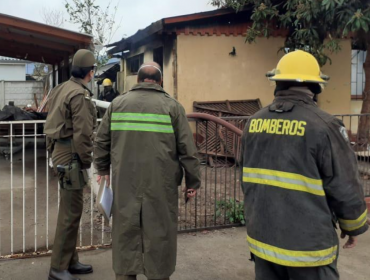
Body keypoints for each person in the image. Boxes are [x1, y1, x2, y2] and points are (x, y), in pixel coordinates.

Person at [240, 50, 368, 280]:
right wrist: (353, 227)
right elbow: (344, 185)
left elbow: (247, 180)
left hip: (263, 241)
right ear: (315, 87)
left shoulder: (253, 123)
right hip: (308, 249)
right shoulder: (325, 126)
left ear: (277, 83)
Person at [94, 62, 201, 280]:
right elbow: (188, 151)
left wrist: (103, 168)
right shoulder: (173, 107)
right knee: (160, 233)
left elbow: (101, 141)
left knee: (125, 232)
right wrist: (192, 182)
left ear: (138, 80)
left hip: (125, 183)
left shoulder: (117, 104)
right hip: (161, 185)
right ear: (160, 82)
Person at [44, 49, 97, 280]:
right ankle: (58, 268)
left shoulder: (62, 88)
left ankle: (70, 261)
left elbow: (51, 120)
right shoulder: (80, 95)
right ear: (91, 72)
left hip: (61, 151)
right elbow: (83, 134)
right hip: (72, 155)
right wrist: (86, 161)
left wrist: (52, 152)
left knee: (71, 210)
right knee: (71, 212)